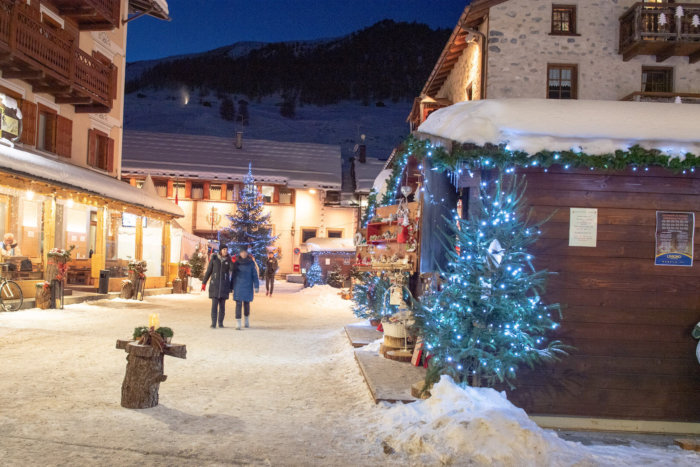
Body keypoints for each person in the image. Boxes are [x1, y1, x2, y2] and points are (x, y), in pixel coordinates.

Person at [202, 246, 233, 328]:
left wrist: (232, 261)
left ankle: (220, 323)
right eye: (224, 249)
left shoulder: (228, 260)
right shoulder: (214, 259)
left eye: (227, 249)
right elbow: (209, 271)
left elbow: (232, 269)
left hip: (224, 286)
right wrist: (204, 283)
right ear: (220, 250)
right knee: (214, 306)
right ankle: (213, 323)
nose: (226, 251)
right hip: (215, 285)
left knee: (222, 307)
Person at [231, 247, 259, 330]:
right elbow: (233, 275)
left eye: (245, 252)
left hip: (247, 285)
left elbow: (254, 275)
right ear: (240, 253)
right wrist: (231, 286)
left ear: (247, 253)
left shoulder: (251, 263)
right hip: (238, 285)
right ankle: (238, 322)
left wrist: (256, 285)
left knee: (246, 304)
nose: (243, 254)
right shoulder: (236, 263)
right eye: (242, 252)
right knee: (238, 304)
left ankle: (246, 319)